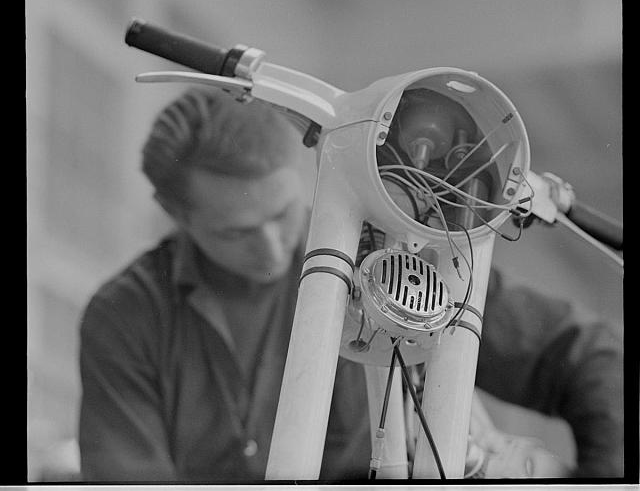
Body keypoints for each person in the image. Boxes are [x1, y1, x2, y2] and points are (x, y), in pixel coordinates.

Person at [78, 86, 623, 482]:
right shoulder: (127, 318)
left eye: (285, 214)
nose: (272, 249)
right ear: (175, 213)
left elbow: (591, 356)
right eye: (236, 232)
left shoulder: (386, 256)